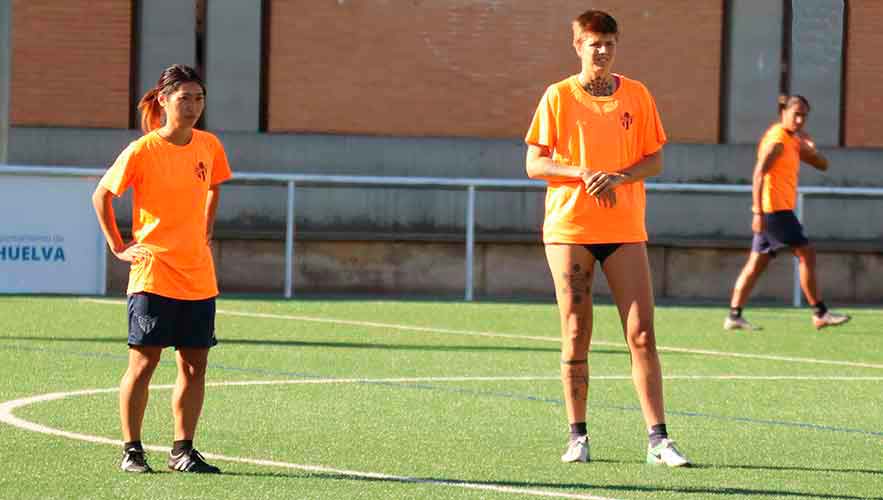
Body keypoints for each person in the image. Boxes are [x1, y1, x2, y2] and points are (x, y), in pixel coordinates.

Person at [525, 10, 689, 467]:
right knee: (576, 331)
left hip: (624, 230)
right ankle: (578, 436)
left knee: (641, 332)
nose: (602, 50)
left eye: (610, 43)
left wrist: (620, 178)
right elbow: (534, 163)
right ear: (577, 45)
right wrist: (580, 172)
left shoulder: (636, 94)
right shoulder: (558, 96)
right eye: (594, 43)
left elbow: (654, 160)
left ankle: (659, 439)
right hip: (571, 230)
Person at [92, 64, 232, 473]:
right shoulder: (143, 150)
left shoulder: (209, 144)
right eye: (185, 98)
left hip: (198, 276)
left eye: (199, 98)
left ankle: (183, 450)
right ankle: (132, 450)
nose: (193, 106)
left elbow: (213, 187)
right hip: (153, 272)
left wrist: (205, 232)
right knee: (144, 362)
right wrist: (118, 246)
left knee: (194, 364)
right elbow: (102, 195)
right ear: (165, 100)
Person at [724, 95, 850, 331]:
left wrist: (812, 149)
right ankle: (820, 312)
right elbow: (758, 174)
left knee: (756, 264)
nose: (800, 120)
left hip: (776, 210)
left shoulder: (793, 140)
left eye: (804, 116)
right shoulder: (778, 140)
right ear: (783, 112)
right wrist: (757, 213)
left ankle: (734, 315)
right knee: (807, 253)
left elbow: (823, 165)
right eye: (796, 114)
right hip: (775, 211)